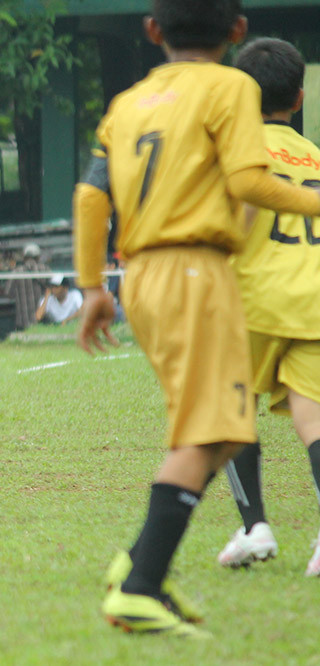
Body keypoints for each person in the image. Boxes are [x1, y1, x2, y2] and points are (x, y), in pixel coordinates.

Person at [74, 0, 320, 637]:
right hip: (196, 270)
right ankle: (139, 585)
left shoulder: (129, 101)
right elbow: (247, 182)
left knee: (221, 428)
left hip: (144, 275)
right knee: (214, 432)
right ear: (237, 32)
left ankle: (139, 565)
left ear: (153, 31)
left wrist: (92, 286)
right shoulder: (232, 86)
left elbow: (91, 195)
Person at [214, 38, 320, 577]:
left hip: (251, 297)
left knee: (231, 407)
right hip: (314, 299)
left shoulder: (236, 149)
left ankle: (254, 525)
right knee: (314, 416)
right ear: (298, 98)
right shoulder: (316, 158)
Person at [4, 243, 48, 330]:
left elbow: (8, 293)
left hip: (23, 320)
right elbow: (54, 291)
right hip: (42, 318)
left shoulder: (16, 272)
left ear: (24, 257)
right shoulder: (46, 270)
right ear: (38, 257)